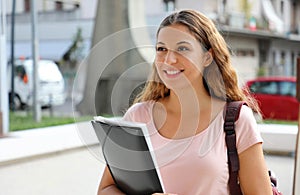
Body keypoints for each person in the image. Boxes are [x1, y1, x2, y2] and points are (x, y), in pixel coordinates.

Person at [97, 9, 273, 195]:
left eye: (182, 48)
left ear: (207, 57)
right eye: (161, 49)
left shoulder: (236, 120)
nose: (169, 60)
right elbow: (106, 189)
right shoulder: (137, 116)